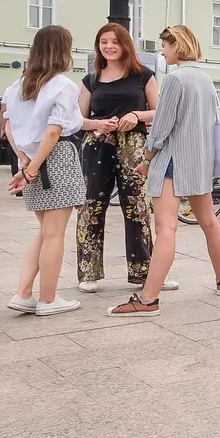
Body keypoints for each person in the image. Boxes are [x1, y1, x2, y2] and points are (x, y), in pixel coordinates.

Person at [109, 25, 220, 316]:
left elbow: (162, 128)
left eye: (165, 46)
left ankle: (148, 299)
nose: (162, 52)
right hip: (199, 160)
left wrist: (147, 159)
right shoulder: (204, 79)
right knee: (210, 223)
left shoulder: (176, 79)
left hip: (173, 160)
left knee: (165, 229)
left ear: (177, 45)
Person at [75, 23, 177, 294]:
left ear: (125, 45)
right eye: (103, 42)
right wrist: (97, 124)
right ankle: (88, 271)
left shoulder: (143, 76)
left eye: (114, 41)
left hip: (134, 145)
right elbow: (76, 119)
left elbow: (159, 111)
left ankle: (145, 272)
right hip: (97, 145)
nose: (108, 46)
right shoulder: (91, 80)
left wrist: (135, 116)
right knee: (91, 206)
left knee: (137, 208)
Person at [3, 25, 86, 316]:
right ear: (64, 50)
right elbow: (53, 133)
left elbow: (9, 127)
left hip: (30, 160)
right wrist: (32, 169)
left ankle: (24, 293)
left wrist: (24, 162)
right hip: (56, 159)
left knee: (44, 232)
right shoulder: (63, 85)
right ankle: (48, 299)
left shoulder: (17, 87)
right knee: (54, 234)